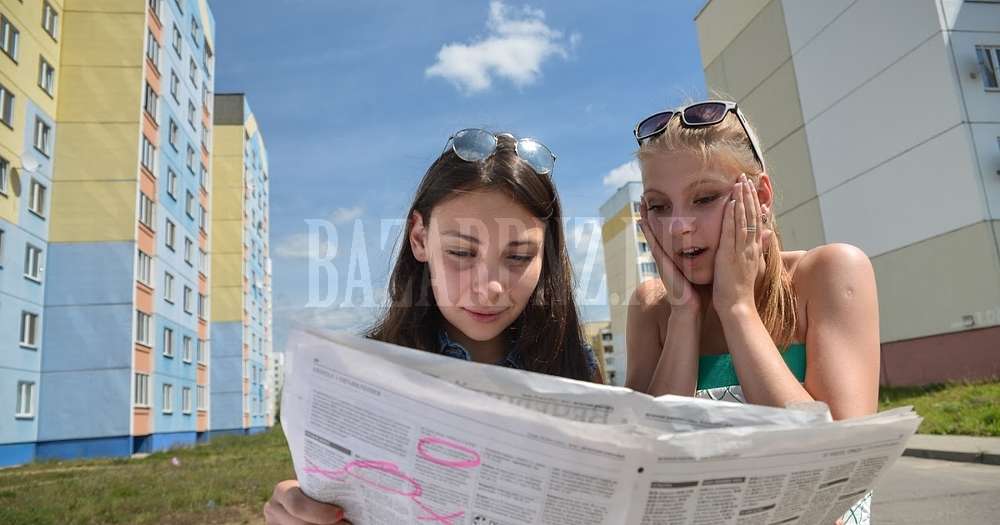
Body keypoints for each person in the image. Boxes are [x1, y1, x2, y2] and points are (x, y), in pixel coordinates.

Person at [264, 129, 602, 525]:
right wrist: (300, 511)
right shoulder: (358, 375)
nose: (489, 288)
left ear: (546, 255)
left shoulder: (575, 367)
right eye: (461, 251)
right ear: (420, 238)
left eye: (519, 257)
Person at [625, 100, 880, 524]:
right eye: (659, 206)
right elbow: (643, 473)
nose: (679, 226)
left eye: (704, 198)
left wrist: (737, 308)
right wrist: (684, 317)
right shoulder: (651, 308)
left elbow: (836, 473)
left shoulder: (829, 273)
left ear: (760, 196)